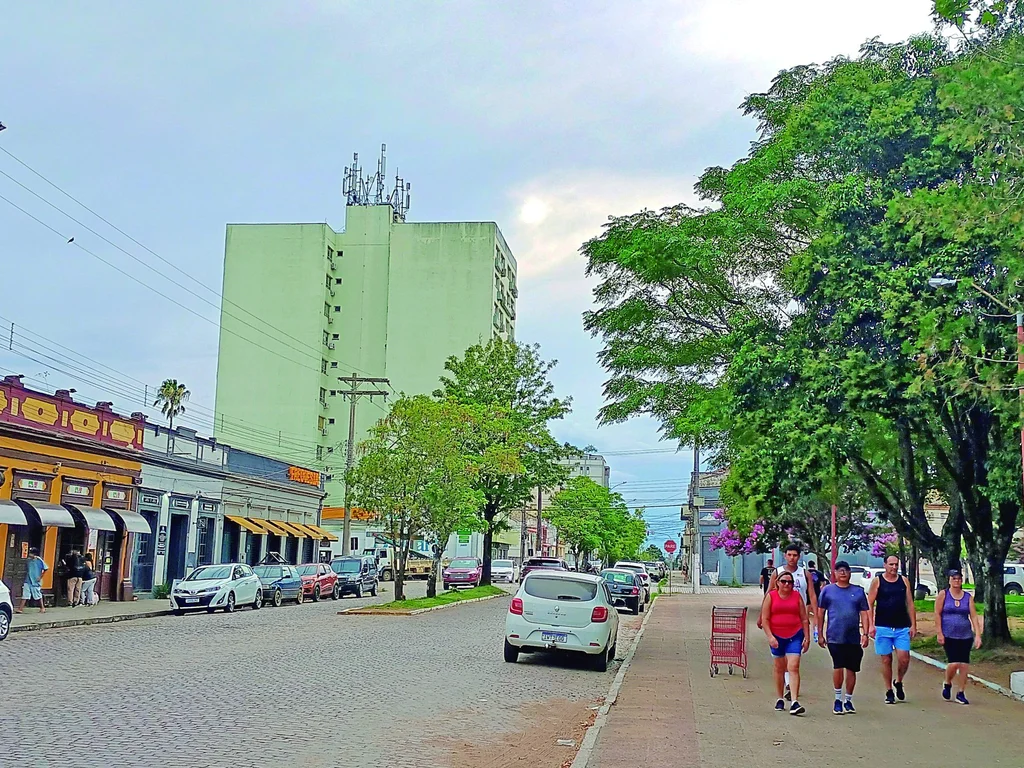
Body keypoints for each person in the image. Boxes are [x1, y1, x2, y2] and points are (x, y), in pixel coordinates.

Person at [763, 544, 818, 700]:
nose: (792, 558)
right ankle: (786, 685)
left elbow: (812, 595)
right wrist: (762, 616)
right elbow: (769, 592)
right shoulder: (778, 572)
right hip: (779, 619)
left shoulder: (805, 574)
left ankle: (791, 687)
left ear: (799, 556)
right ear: (785, 555)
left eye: (795, 555)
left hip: (798, 619)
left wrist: (817, 617)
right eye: (789, 555)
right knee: (782, 662)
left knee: (793, 661)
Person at [817, 561, 871, 715]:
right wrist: (819, 634)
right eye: (839, 570)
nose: (843, 573)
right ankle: (837, 699)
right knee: (838, 666)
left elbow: (864, 613)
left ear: (850, 573)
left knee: (852, 668)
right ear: (834, 573)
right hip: (834, 636)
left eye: (846, 570)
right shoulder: (827, 591)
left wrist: (865, 633)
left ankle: (848, 699)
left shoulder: (858, 591)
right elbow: (820, 613)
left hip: (853, 637)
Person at [867, 555, 918, 704]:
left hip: (902, 626)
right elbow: (869, 604)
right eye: (891, 564)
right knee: (886, 659)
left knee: (904, 658)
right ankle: (889, 690)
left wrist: (913, 625)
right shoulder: (877, 581)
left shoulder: (904, 581)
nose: (894, 567)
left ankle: (899, 681)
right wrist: (870, 624)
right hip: (883, 626)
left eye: (896, 564)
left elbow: (910, 603)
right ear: (885, 565)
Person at [761, 571, 810, 715]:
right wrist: (770, 636)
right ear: (777, 582)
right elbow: (765, 619)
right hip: (776, 637)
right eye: (783, 581)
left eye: (790, 582)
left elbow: (804, 618)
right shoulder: (771, 596)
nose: (787, 584)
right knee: (779, 668)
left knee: (793, 666)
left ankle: (794, 701)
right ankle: (779, 698)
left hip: (795, 635)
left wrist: (807, 638)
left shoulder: (797, 596)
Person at [935, 568, 982, 705]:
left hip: (965, 635)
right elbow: (937, 613)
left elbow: (973, 616)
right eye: (954, 578)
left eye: (959, 579)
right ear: (949, 580)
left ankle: (961, 692)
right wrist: (939, 632)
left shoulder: (967, 597)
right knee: (954, 663)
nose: (957, 581)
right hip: (949, 634)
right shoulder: (944, 594)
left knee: (964, 665)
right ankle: (948, 682)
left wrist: (978, 635)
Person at [16, 547, 48, 614]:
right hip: (28, 580)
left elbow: (45, 568)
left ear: (34, 554)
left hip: (35, 581)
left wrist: (40, 577)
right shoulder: (28, 560)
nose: (29, 554)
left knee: (38, 595)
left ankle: (42, 607)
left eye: (31, 553)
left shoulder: (39, 560)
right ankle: (20, 609)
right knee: (25, 594)